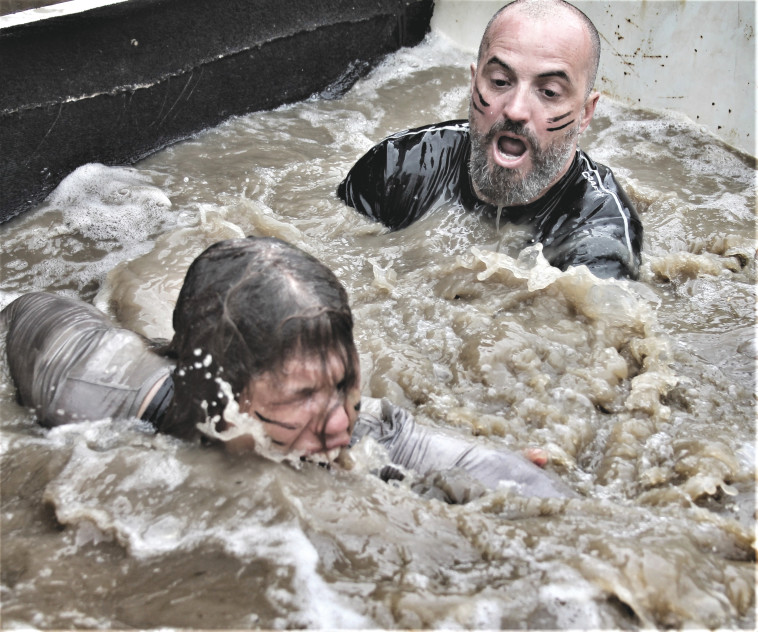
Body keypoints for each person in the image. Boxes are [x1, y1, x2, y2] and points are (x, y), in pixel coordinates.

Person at [1, 236, 574, 500]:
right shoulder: (83, 408)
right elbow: (28, 314)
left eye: (345, 384)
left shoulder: (353, 417)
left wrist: (513, 484)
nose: (339, 427)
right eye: (304, 396)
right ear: (222, 402)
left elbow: (421, 445)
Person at [337, 0, 643, 280]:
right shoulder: (398, 165)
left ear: (585, 114)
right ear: (474, 83)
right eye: (499, 82)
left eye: (548, 92)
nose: (515, 110)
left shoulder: (601, 239)